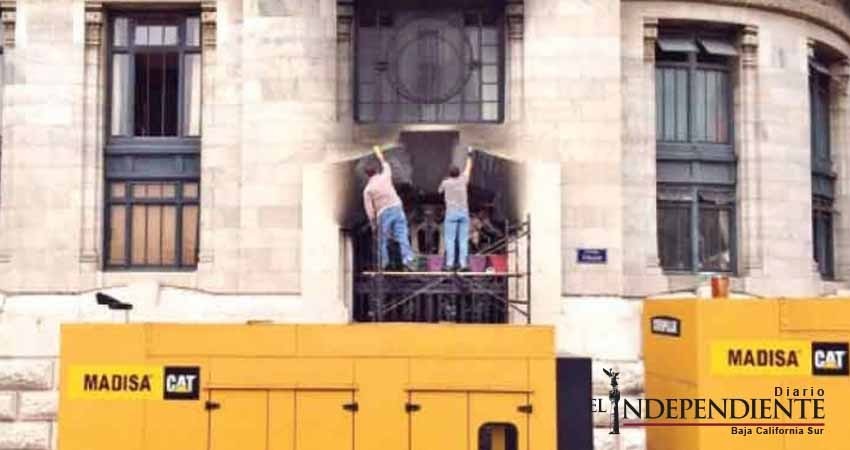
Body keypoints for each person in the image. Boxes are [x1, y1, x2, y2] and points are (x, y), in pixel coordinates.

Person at [363, 144, 415, 271]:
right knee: (402, 235)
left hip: (383, 213)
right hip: (397, 207)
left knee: (383, 240)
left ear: (367, 175)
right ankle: (407, 260)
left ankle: (384, 264)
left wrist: (373, 224)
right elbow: (385, 164)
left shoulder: (368, 190)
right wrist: (378, 152)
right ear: (376, 171)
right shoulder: (385, 176)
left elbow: (369, 210)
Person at [439, 147, 474, 271]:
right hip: (464, 213)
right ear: (459, 172)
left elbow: (439, 191)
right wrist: (469, 153)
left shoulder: (446, 183)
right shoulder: (464, 179)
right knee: (463, 239)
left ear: (450, 173)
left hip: (451, 213)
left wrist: (446, 180)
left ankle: (449, 264)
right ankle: (463, 264)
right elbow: (469, 167)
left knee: (450, 239)